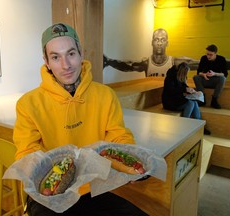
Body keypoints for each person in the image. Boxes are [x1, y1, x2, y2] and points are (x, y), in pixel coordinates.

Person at [13, 23, 148, 216]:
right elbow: (27, 152)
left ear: (81, 53)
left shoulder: (105, 95)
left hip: (93, 189)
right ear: (46, 62)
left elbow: (118, 137)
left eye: (71, 54)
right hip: (50, 197)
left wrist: (130, 163)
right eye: (55, 57)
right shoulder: (28, 104)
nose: (66, 65)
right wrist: (56, 178)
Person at [103, 28, 199, 77]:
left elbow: (197, 63)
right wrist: (108, 61)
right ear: (152, 42)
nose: (159, 43)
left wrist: (213, 62)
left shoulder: (175, 62)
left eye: (163, 40)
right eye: (156, 40)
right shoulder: (146, 63)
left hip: (168, 95)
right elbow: (127, 65)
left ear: (167, 43)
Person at [162, 62, 211, 135]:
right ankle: (184, 126)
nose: (186, 75)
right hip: (169, 101)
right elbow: (171, 90)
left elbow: (183, 86)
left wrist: (190, 90)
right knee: (190, 103)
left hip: (177, 99)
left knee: (194, 102)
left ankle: (199, 125)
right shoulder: (170, 77)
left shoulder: (180, 76)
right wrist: (185, 90)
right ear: (182, 72)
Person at [193, 44, 227, 109]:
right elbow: (198, 72)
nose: (208, 56)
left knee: (222, 78)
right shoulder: (203, 58)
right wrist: (203, 74)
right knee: (196, 77)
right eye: (207, 54)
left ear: (215, 54)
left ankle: (214, 99)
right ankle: (201, 98)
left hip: (216, 81)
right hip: (205, 79)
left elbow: (224, 74)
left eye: (210, 55)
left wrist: (215, 74)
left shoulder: (221, 59)